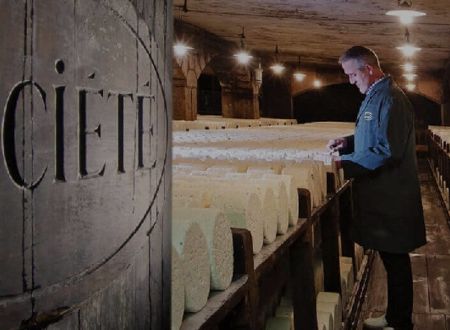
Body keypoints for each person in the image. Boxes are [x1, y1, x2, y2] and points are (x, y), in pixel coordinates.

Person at [328, 46, 426, 330]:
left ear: (368, 69)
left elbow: (387, 149)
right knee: (392, 257)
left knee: (396, 260)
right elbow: (373, 135)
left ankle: (399, 321)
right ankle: (394, 316)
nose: (350, 80)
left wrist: (343, 163)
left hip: (391, 195)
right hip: (383, 193)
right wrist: (348, 141)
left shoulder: (391, 98)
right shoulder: (377, 95)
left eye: (352, 74)